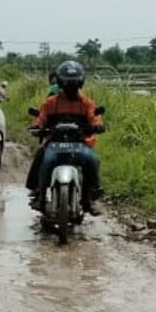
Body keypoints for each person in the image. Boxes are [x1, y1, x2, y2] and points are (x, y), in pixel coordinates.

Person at [28, 61, 104, 215]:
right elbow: (40, 118)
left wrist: (97, 125)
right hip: (55, 143)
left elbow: (94, 118)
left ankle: (88, 198)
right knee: (46, 160)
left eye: (74, 82)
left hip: (79, 143)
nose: (71, 86)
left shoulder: (86, 103)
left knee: (93, 160)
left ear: (80, 82)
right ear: (61, 82)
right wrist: (37, 126)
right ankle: (41, 196)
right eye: (68, 82)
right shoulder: (51, 103)